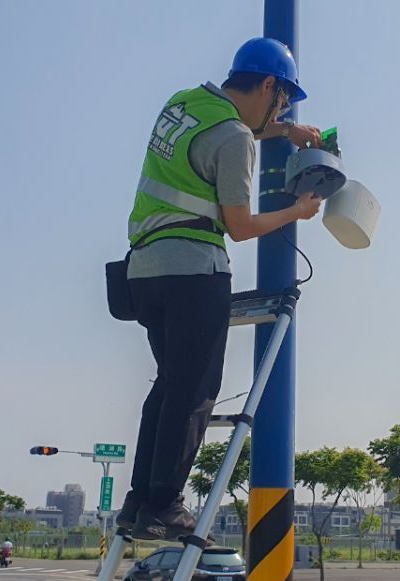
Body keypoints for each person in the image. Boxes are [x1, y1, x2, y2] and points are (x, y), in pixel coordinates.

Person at [116, 37, 324, 541]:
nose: (280, 110)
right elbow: (239, 225)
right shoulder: (236, 139)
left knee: (168, 387)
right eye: (282, 101)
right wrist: (297, 212)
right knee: (194, 393)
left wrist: (285, 130)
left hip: (144, 271)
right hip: (194, 271)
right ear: (270, 86)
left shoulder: (184, 102)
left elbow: (229, 127)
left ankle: (139, 502)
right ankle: (164, 506)